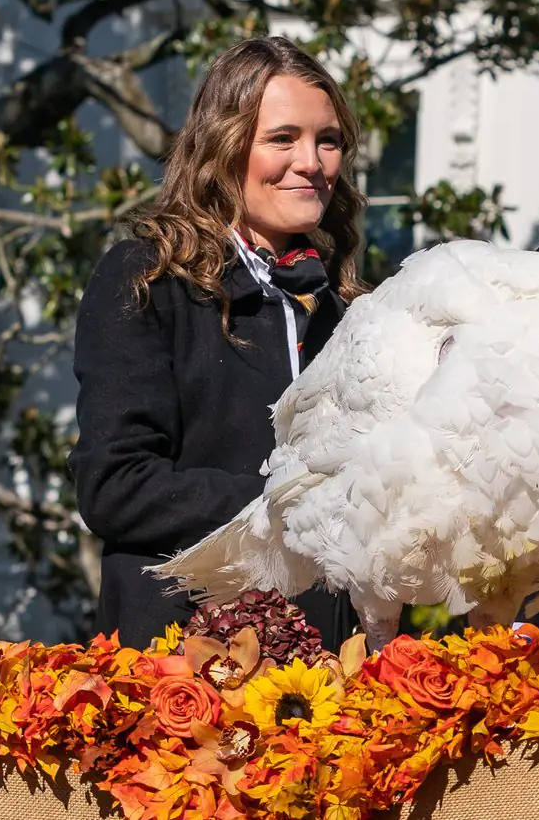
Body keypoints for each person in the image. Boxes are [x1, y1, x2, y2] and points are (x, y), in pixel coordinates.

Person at [70, 37, 363, 650]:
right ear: (223, 147)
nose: (311, 161)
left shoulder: (351, 307)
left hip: (335, 672)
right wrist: (295, 503)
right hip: (187, 668)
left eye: (327, 140)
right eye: (282, 139)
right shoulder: (147, 279)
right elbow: (117, 487)